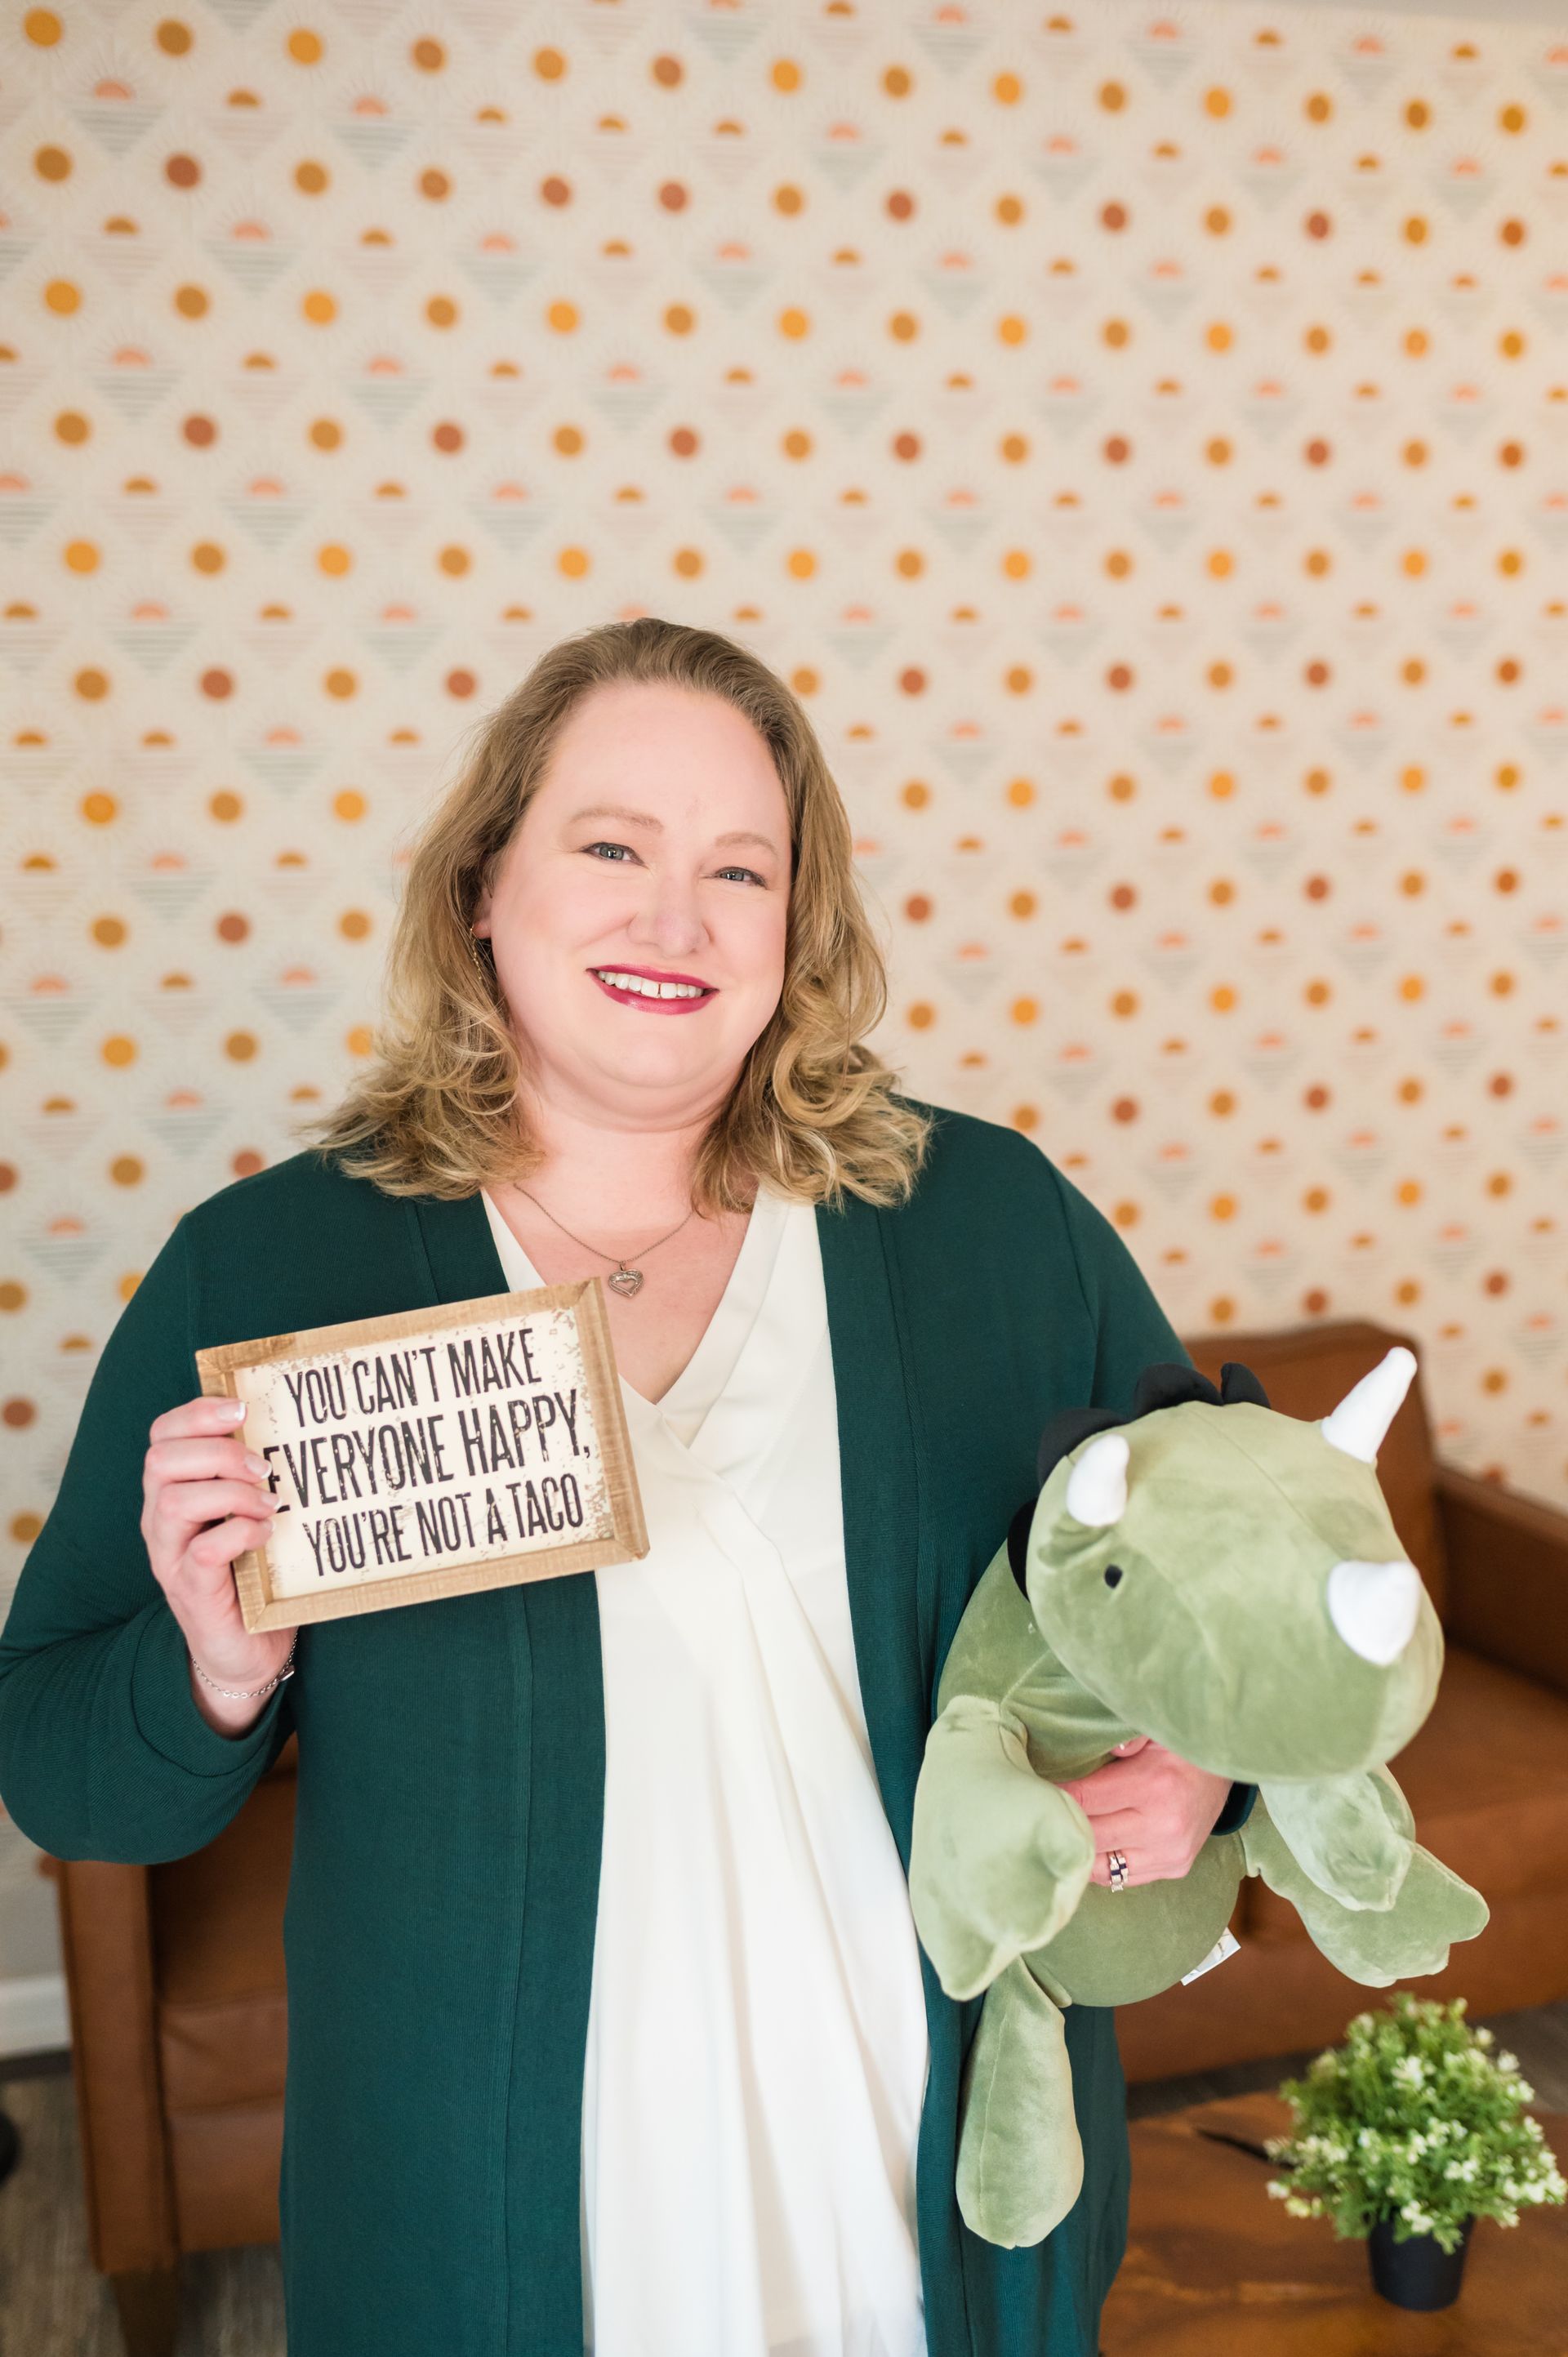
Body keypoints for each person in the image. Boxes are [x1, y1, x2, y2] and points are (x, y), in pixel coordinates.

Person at [0, 617, 1250, 2357]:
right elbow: (62, 1767)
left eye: (740, 869)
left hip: (927, 2186)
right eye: (611, 848)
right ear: (481, 888)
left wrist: (1205, 1764)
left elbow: (1234, 1576)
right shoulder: (274, 1269)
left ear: (797, 927)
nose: (677, 921)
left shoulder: (986, 1224)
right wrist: (211, 1670)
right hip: (502, 2222)